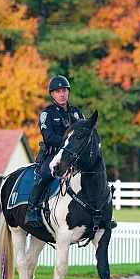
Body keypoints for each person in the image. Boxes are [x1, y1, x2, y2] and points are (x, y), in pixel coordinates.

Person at [24, 75, 85, 227]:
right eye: (58, 91)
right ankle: (31, 211)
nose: (62, 94)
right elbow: (48, 136)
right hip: (54, 154)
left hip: (74, 155)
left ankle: (101, 213)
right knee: (44, 175)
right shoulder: (47, 114)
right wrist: (67, 142)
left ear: (68, 92)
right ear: (52, 94)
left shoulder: (77, 113)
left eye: (64, 90)